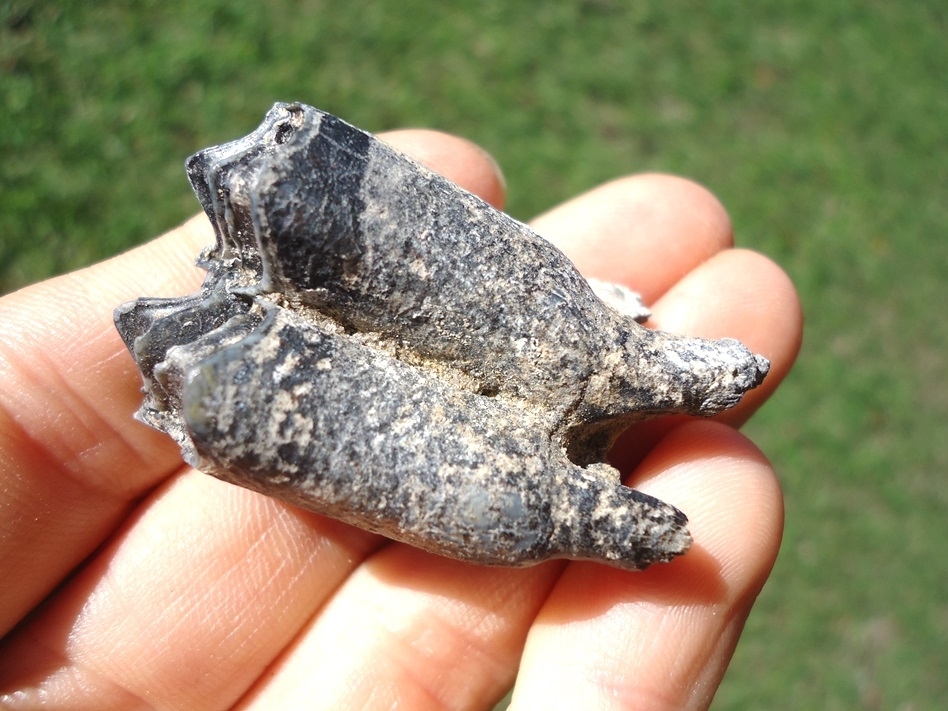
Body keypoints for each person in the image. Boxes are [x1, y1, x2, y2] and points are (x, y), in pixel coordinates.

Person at [0, 129, 801, 709]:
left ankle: (629, 378)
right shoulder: (517, 515)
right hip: (235, 378)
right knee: (534, 485)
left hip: (252, 370)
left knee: (545, 460)